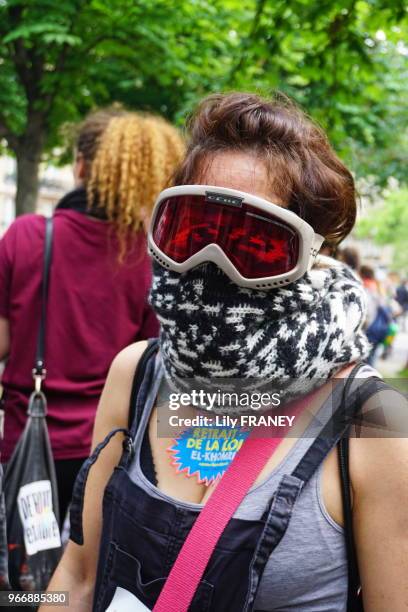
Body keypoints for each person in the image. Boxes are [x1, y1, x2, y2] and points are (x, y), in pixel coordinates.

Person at [46, 93, 407, 610]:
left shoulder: (373, 423)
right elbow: (76, 577)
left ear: (313, 254)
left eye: (256, 242)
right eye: (193, 228)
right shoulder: (137, 373)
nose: (211, 262)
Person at [0, 109, 184, 523]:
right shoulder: (146, 258)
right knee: (81, 575)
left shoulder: (27, 236)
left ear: (82, 167)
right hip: (108, 449)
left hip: (26, 440)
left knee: (24, 572)